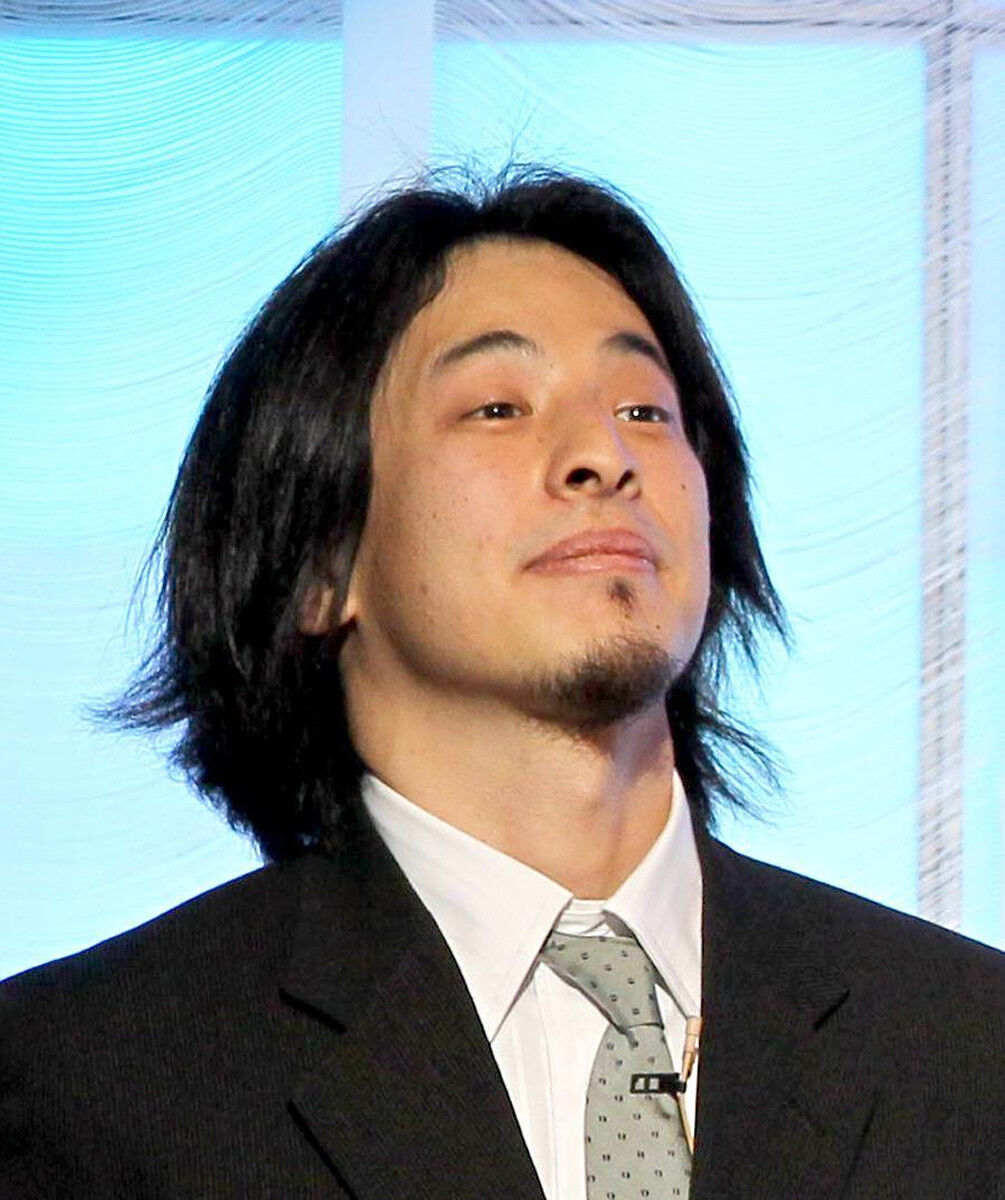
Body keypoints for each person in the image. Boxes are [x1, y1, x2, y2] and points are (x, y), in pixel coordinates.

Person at [1, 168, 1001, 1200]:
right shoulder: (87, 1079)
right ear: (319, 564)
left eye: (644, 410)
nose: (602, 455)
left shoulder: (967, 1047)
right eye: (497, 407)